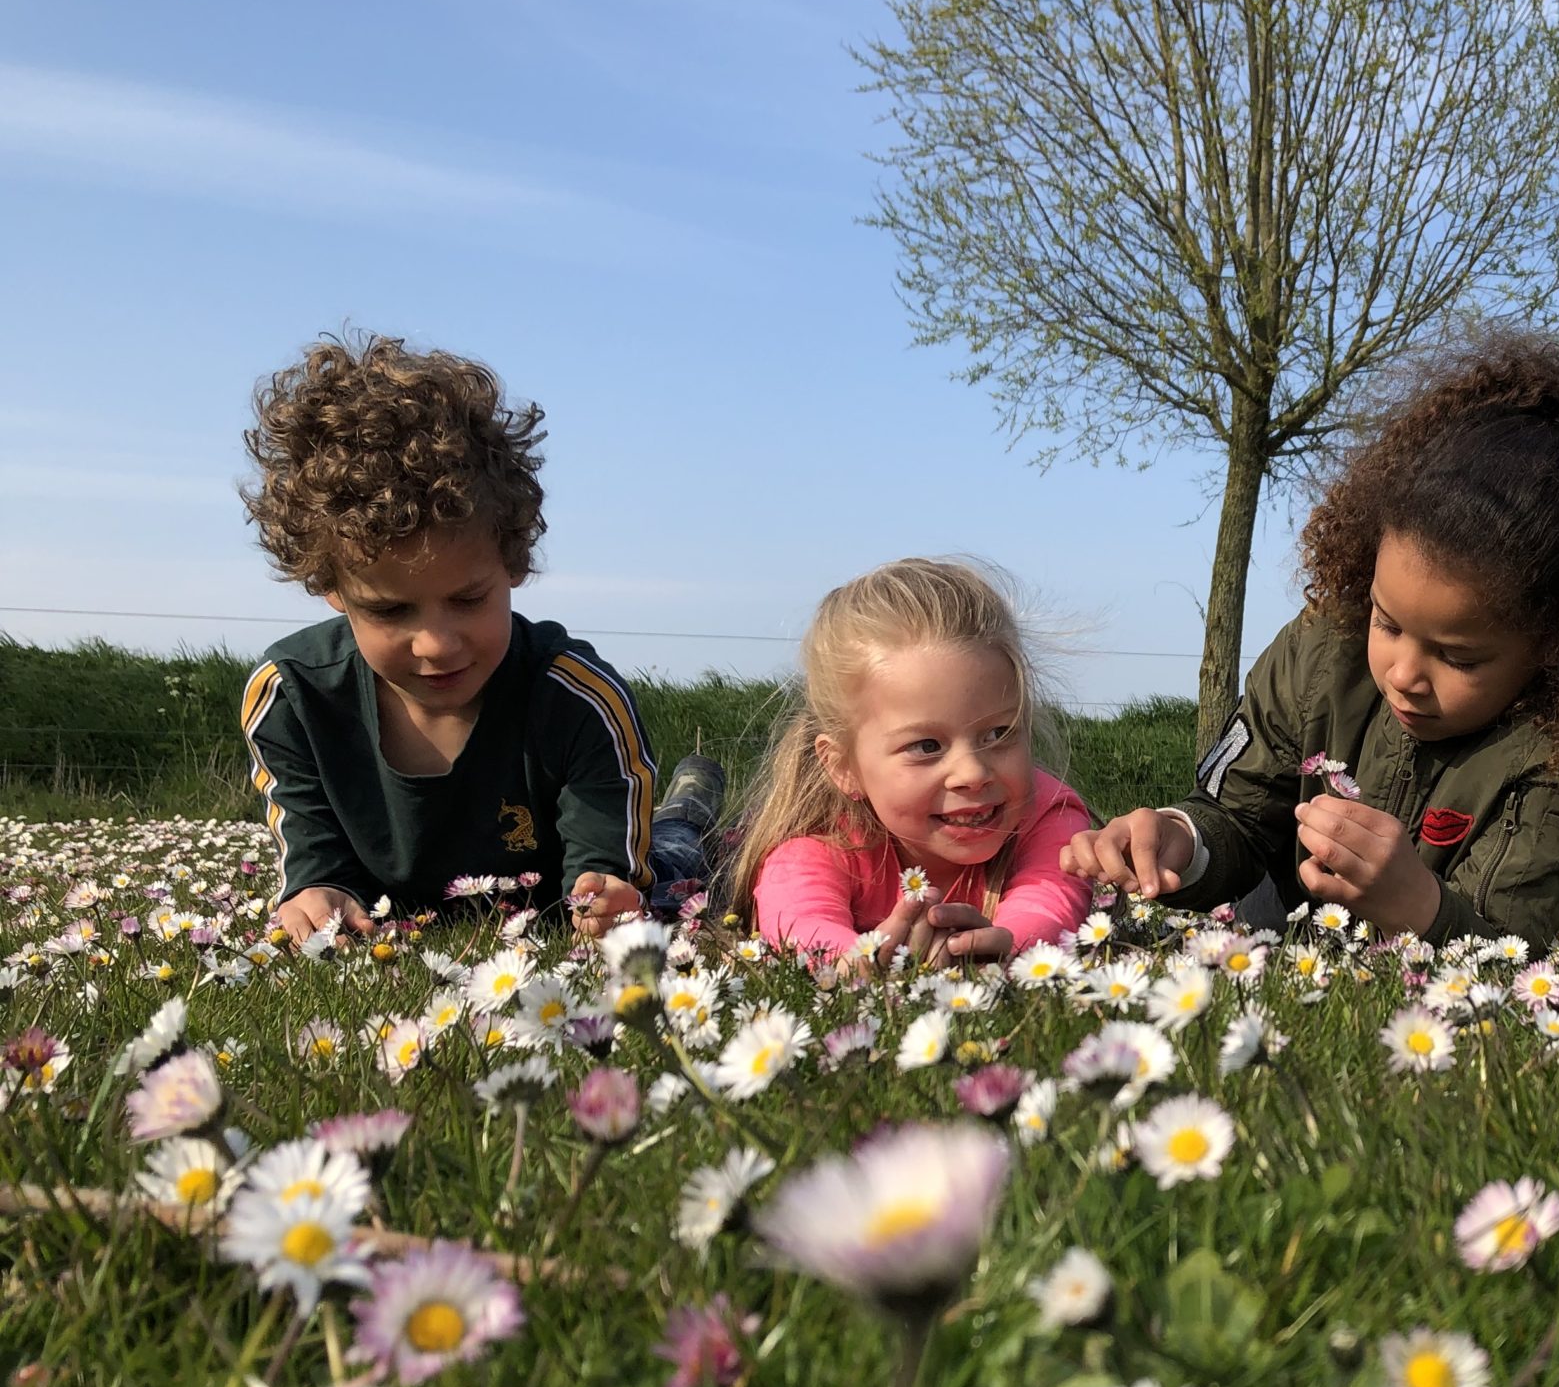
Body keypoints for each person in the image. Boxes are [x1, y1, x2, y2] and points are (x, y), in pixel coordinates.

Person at [1063, 333, 1559, 948]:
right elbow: (1239, 816)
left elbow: (1511, 948)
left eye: (1457, 656)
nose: (1404, 673)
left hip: (1509, 904)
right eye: (1387, 622)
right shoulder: (1323, 649)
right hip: (1309, 916)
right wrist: (1183, 840)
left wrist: (1415, 901)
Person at [237, 333, 723, 944]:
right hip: (415, 910)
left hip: (555, 892)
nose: (436, 645)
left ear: (514, 562)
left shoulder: (576, 697)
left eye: (468, 600)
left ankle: (691, 798)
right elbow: (313, 860)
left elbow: (608, 876)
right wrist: (318, 892)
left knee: (682, 851)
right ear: (330, 588)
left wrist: (606, 892)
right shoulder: (293, 698)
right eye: (389, 610)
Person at [731, 559, 1094, 969]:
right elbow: (799, 920)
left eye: (998, 734)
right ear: (841, 766)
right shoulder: (822, 843)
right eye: (926, 745)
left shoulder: (1048, 816)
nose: (972, 773)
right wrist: (858, 963)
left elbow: (1049, 906)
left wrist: (1002, 951)